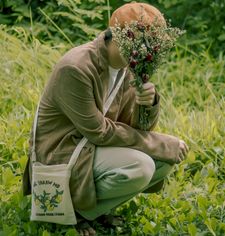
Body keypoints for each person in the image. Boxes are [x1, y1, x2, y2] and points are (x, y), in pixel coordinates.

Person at [22, 2, 189, 235]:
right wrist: (160, 143)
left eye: (152, 45)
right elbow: (98, 131)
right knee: (142, 165)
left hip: (91, 148)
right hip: (64, 151)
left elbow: (136, 128)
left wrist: (147, 104)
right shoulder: (76, 68)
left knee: (163, 162)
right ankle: (69, 214)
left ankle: (89, 211)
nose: (146, 51)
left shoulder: (129, 68)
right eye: (141, 42)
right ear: (120, 36)